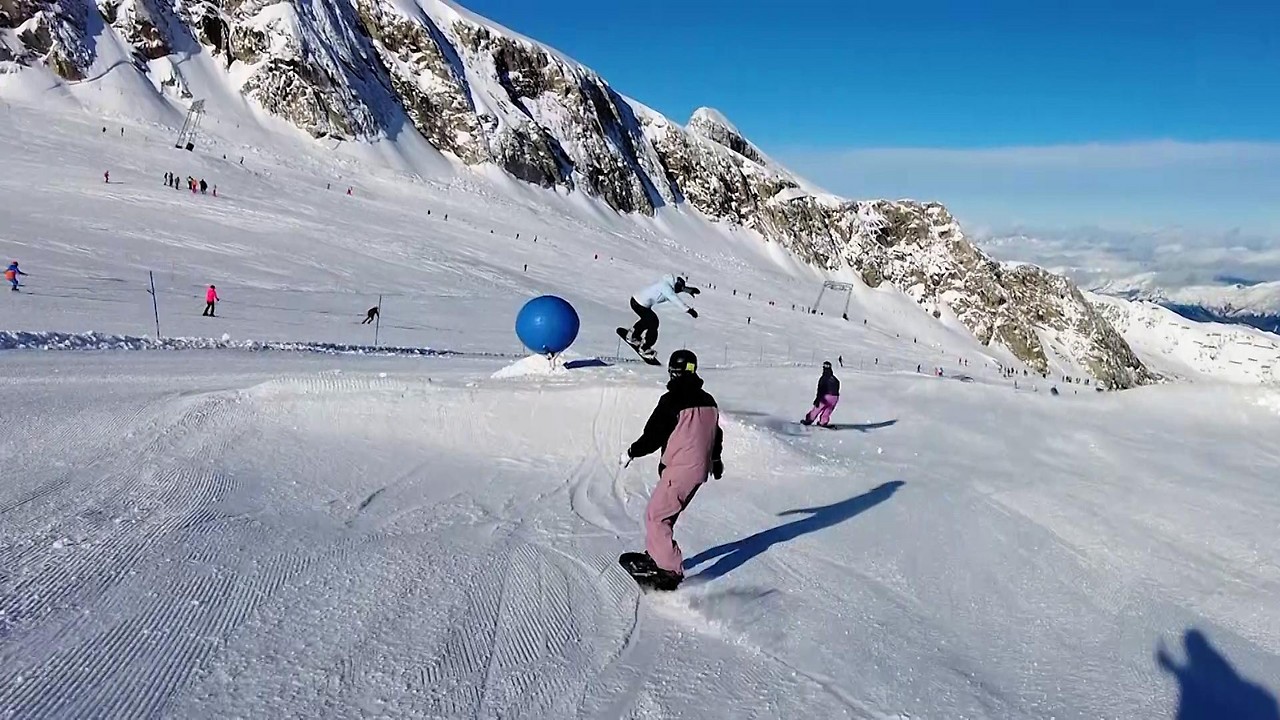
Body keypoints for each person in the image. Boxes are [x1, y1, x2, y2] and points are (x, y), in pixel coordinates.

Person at [621, 349, 724, 590]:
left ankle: (668, 571)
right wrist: (716, 460)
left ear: (673, 371)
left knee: (656, 517)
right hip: (698, 471)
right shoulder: (709, 400)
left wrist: (632, 451)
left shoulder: (671, 400)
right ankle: (658, 556)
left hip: (680, 470)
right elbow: (715, 434)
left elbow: (654, 435)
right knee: (666, 516)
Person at [623, 274, 699, 358]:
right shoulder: (666, 288)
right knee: (653, 322)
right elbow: (674, 299)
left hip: (636, 301)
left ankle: (633, 336)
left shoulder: (666, 284)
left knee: (648, 320)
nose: (679, 291)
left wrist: (689, 290)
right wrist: (688, 310)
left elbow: (678, 289)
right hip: (639, 304)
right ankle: (645, 348)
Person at [801, 361, 840, 427]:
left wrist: (817, 399)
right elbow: (838, 385)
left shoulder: (823, 378)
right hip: (835, 397)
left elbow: (820, 389)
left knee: (817, 409)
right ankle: (823, 422)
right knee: (827, 410)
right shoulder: (835, 379)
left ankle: (809, 419)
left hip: (826, 397)